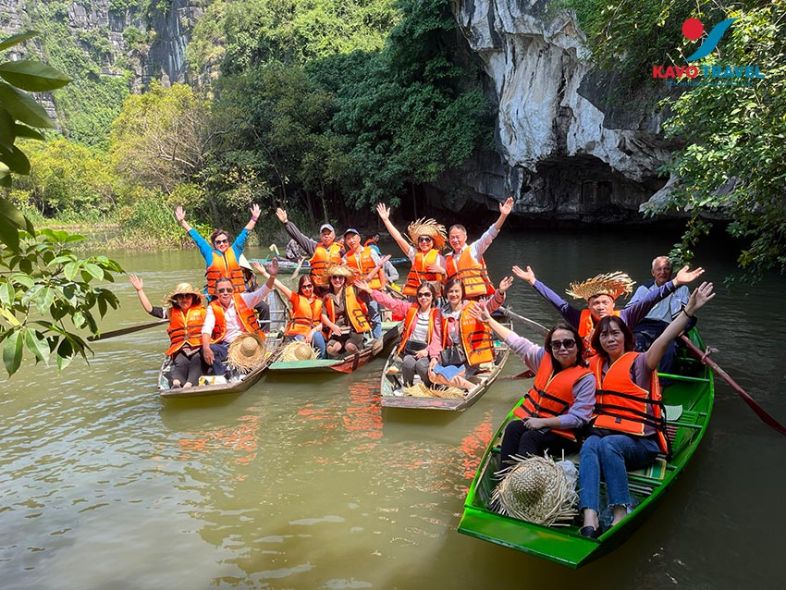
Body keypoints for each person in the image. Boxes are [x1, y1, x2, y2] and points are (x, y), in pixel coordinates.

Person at [577, 282, 715, 539]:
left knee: (608, 445)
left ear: (626, 337)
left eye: (616, 333)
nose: (610, 338)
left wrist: (688, 312)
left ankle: (621, 510)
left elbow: (664, 339)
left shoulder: (640, 363)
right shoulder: (593, 365)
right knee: (590, 444)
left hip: (643, 444)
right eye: (605, 335)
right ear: (599, 340)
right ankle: (590, 514)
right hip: (610, 434)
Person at [471, 306, 595, 466]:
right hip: (536, 424)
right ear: (551, 348)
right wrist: (490, 321)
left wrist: (543, 423)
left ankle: (524, 484)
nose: (562, 348)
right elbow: (518, 343)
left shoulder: (585, 379)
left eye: (568, 343)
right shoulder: (544, 359)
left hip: (565, 435)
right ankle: (504, 479)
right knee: (513, 428)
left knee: (530, 437)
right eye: (556, 345)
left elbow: (578, 418)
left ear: (578, 347)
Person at [512, 264, 704, 356]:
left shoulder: (626, 316)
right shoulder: (580, 318)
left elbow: (650, 299)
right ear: (589, 306)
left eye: (605, 302)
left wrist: (676, 281)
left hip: (620, 367)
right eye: (596, 303)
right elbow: (558, 302)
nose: (601, 306)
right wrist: (533, 282)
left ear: (613, 304)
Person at [429, 276, 512, 390]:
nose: (454, 294)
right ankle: (471, 386)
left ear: (462, 292)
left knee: (444, 376)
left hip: (470, 358)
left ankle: (471, 387)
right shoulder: (442, 313)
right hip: (450, 356)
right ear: (446, 294)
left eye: (457, 291)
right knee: (432, 376)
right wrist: (434, 357)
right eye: (450, 291)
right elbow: (437, 337)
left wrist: (500, 292)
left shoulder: (472, 307)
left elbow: (490, 305)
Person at [355, 279, 442, 387]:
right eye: (420, 295)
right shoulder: (410, 308)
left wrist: (430, 353)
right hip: (410, 350)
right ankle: (408, 388)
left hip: (427, 351)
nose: (423, 298)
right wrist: (370, 291)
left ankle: (431, 387)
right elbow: (390, 302)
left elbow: (437, 338)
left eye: (427, 294)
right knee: (407, 363)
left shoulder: (437, 314)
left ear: (432, 296)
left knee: (421, 365)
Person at [200, 261, 278, 377]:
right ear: (216, 293)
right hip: (227, 346)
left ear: (233, 291)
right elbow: (207, 328)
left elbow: (262, 292)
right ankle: (222, 376)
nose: (225, 293)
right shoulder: (213, 307)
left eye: (228, 290)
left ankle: (240, 370)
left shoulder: (243, 299)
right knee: (208, 349)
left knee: (250, 350)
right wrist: (206, 347)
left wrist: (272, 276)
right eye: (221, 291)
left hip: (247, 343)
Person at [129, 274, 208, 389]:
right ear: (176, 299)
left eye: (187, 296)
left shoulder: (203, 312)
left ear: (193, 298)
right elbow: (150, 309)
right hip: (179, 348)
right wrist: (140, 290)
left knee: (197, 360)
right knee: (180, 362)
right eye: (181, 297)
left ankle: (189, 384)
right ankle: (176, 382)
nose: (184, 299)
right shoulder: (170, 312)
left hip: (197, 346)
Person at [174, 204, 261, 298]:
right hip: (216, 298)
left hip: (237, 295)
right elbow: (198, 239)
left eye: (224, 241)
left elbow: (245, 233)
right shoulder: (209, 254)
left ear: (228, 242)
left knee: (263, 307)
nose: (222, 244)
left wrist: (254, 219)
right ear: (214, 244)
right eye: (218, 242)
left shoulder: (235, 250)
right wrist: (183, 222)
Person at [625, 256, 691, 373]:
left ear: (671, 272)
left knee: (669, 351)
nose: (663, 272)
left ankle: (662, 385)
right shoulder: (644, 289)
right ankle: (635, 376)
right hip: (645, 326)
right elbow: (630, 310)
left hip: (669, 328)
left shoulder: (682, 289)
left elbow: (687, 313)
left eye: (666, 269)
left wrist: (683, 328)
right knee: (636, 346)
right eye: (659, 269)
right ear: (653, 272)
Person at [445, 197, 515, 299]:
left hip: (477, 298)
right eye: (452, 237)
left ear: (465, 237)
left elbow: (490, 234)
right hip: (458, 300)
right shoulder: (447, 258)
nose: (455, 240)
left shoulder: (475, 249)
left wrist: (503, 215)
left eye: (457, 237)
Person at [376, 203, 447, 297]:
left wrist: (442, 271)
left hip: (432, 296)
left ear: (433, 242)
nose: (424, 242)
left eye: (427, 239)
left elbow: (446, 279)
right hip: (416, 294)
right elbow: (398, 238)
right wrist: (386, 220)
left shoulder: (440, 258)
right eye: (421, 239)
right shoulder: (414, 253)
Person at [256, 268, 327, 359]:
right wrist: (264, 273)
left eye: (309, 286)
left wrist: (312, 332)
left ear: (313, 286)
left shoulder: (320, 301)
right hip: (299, 332)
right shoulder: (296, 298)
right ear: (300, 288)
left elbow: (324, 322)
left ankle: (322, 360)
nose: (307, 289)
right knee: (300, 345)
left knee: (317, 336)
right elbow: (280, 286)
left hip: (315, 331)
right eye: (304, 287)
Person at [275, 208, 343, 292]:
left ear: (334, 235)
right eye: (324, 234)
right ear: (320, 236)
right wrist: (286, 222)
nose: (326, 236)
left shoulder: (341, 249)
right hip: (318, 288)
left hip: (335, 287)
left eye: (329, 233)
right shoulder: (314, 247)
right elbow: (298, 236)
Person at [343, 227, 385, 339]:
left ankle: (378, 340)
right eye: (348, 239)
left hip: (372, 289)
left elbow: (380, 268)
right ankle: (363, 340)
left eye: (353, 238)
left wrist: (383, 286)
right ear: (346, 242)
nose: (351, 241)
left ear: (359, 238)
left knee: (374, 314)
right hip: (357, 291)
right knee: (360, 315)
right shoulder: (346, 257)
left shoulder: (371, 251)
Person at [321, 265, 372, 358]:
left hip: (354, 330)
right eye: (334, 277)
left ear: (344, 279)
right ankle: (341, 358)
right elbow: (323, 315)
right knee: (331, 349)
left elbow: (367, 279)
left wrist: (379, 266)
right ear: (330, 279)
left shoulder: (352, 290)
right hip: (338, 332)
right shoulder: (327, 296)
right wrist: (333, 326)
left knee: (350, 346)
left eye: (340, 277)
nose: (337, 280)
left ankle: (360, 356)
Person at [239, 255, 270, 331]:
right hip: (238, 298)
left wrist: (262, 297)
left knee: (265, 307)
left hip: (250, 297)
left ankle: (264, 330)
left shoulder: (251, 275)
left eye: (241, 267)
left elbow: (256, 288)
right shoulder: (231, 275)